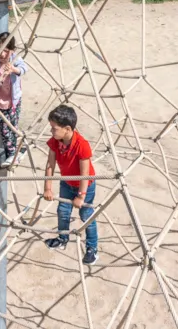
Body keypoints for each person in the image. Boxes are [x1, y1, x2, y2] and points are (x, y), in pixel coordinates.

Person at [43, 104, 98, 265]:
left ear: (67, 129)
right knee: (62, 210)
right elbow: (50, 165)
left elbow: (85, 174)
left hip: (85, 185)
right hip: (67, 183)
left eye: (54, 128)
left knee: (86, 215)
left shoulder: (82, 145)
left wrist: (81, 196)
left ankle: (92, 248)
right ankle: (62, 238)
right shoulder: (55, 142)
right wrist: (47, 188)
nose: (51, 131)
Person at [0, 32, 28, 166]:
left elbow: (24, 68)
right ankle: (11, 154)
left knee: (12, 127)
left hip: (13, 100)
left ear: (11, 50)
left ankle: (15, 152)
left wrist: (14, 70)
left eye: (5, 51)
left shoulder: (14, 59)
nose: (2, 54)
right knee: (4, 130)